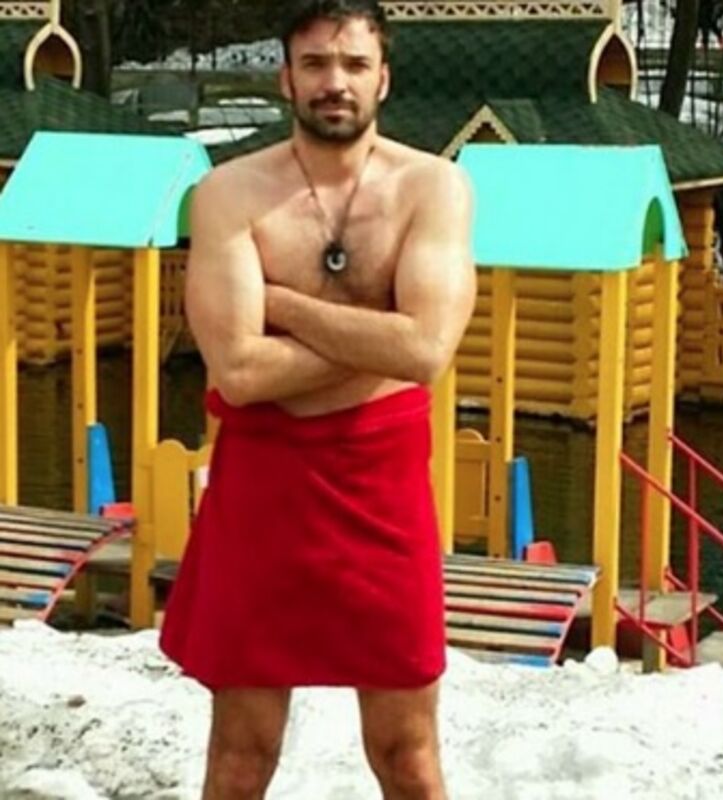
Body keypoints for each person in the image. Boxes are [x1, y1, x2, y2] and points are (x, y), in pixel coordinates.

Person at [159, 2, 476, 798]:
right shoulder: (229, 193)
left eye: (355, 64)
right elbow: (240, 371)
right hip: (262, 487)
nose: (336, 82)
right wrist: (380, 330)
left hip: (383, 488)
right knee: (241, 757)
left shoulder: (432, 187)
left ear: (384, 79)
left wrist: (285, 306)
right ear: (285, 79)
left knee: (408, 757)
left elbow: (425, 353)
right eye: (315, 64)